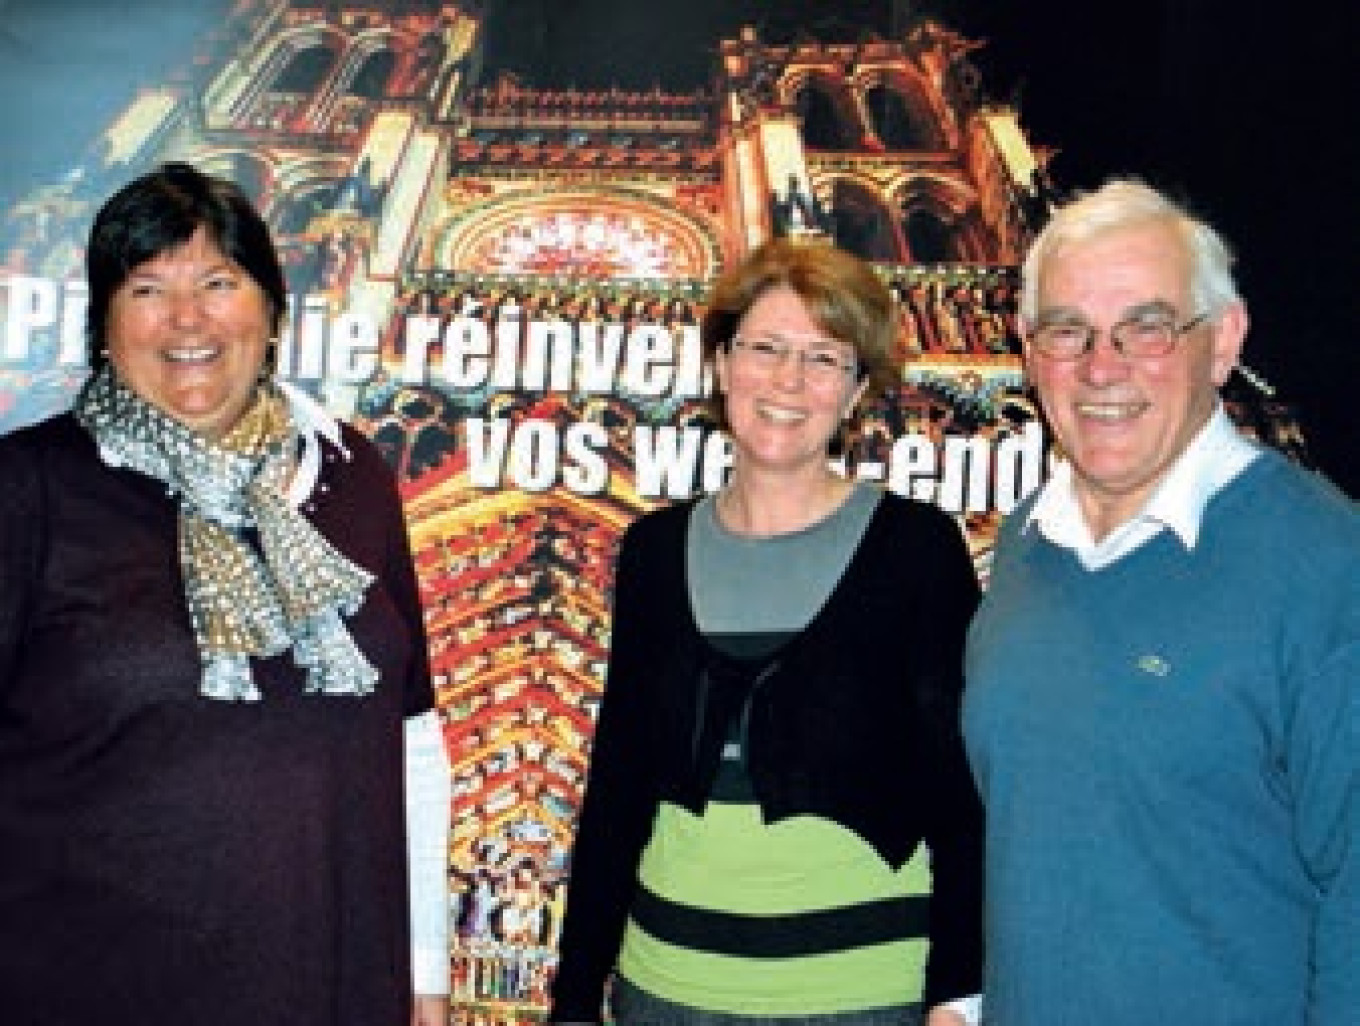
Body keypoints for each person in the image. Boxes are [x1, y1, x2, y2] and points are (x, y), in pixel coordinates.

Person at [0, 162, 451, 1025]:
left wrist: (425, 972)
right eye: (147, 288)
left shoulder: (351, 476)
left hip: (331, 984)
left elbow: (413, 742)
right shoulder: (31, 489)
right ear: (102, 323)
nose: (187, 320)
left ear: (272, 309)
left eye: (218, 281)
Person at [550, 238, 984, 1025]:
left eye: (825, 358)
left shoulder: (916, 550)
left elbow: (961, 795)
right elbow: (618, 784)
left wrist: (958, 996)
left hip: (861, 996)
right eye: (766, 348)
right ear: (721, 366)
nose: (790, 380)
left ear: (856, 391)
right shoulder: (653, 552)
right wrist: (576, 994)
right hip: (668, 991)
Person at [963, 178, 1358, 1024]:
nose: (1101, 367)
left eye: (1146, 327)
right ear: (1029, 352)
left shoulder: (1329, 569)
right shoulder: (1030, 539)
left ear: (1223, 342)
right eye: (1067, 330)